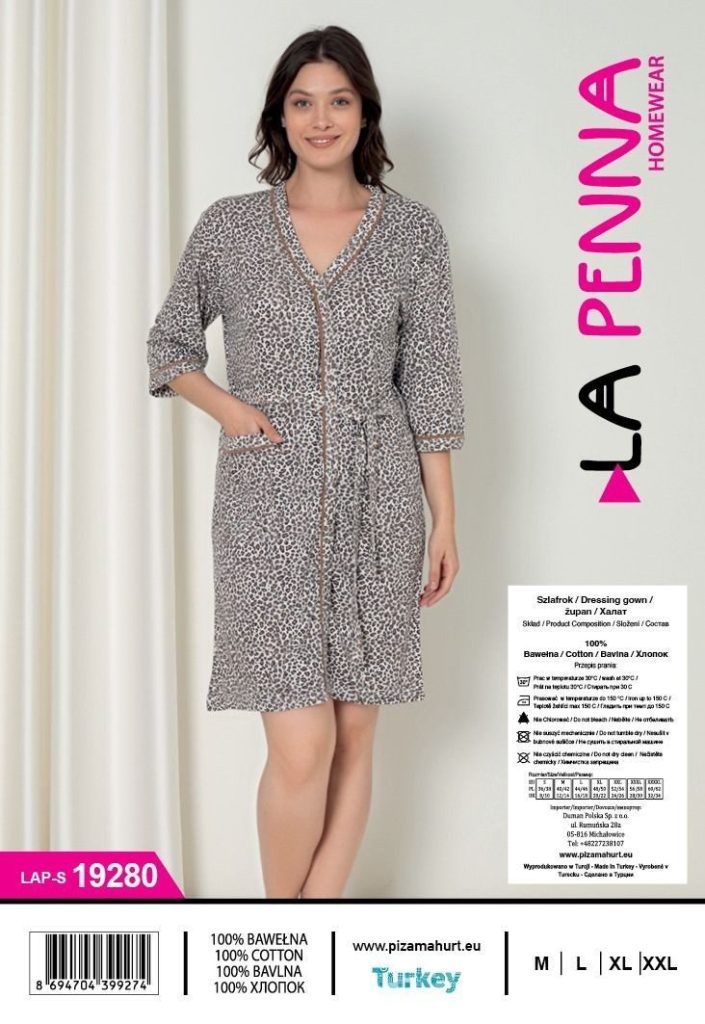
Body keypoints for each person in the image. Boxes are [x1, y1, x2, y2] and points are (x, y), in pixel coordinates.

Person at [146, 25, 465, 898]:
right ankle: (280, 931)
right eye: (301, 102)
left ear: (364, 113)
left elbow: (431, 385)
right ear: (278, 116)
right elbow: (169, 346)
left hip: (380, 502)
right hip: (266, 504)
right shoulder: (231, 227)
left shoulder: (412, 234)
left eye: (338, 100)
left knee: (355, 734)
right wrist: (233, 412)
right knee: (301, 744)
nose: (320, 119)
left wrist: (444, 517)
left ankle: (312, 935)